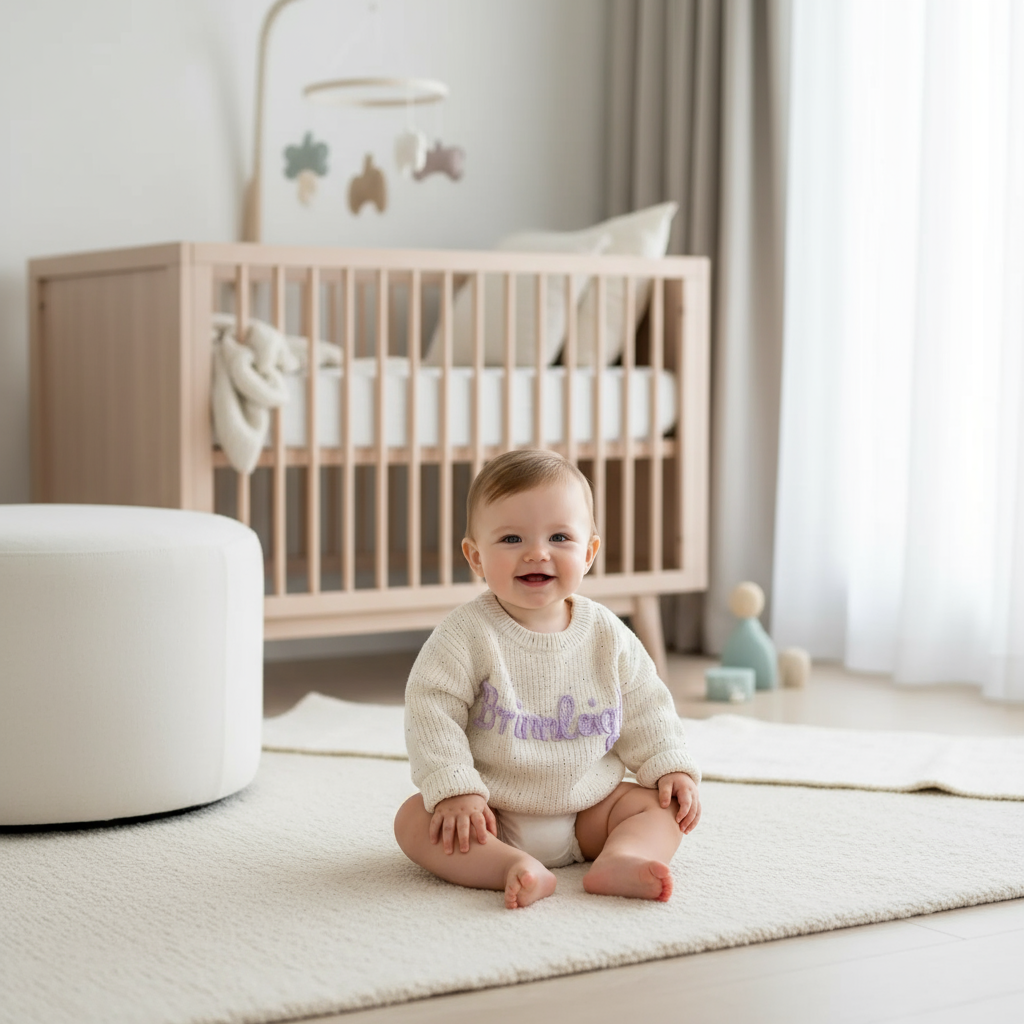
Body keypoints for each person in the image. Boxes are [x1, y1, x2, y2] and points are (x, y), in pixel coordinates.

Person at [393, 449, 701, 909]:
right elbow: (431, 709)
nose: (537, 553)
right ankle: (509, 867)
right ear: (475, 557)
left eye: (559, 536)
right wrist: (455, 788)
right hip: (491, 812)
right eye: (512, 538)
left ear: (589, 551)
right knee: (414, 820)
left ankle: (623, 856)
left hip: (589, 807)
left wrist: (669, 764)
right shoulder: (465, 634)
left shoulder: (606, 634)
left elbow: (645, 704)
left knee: (661, 809)